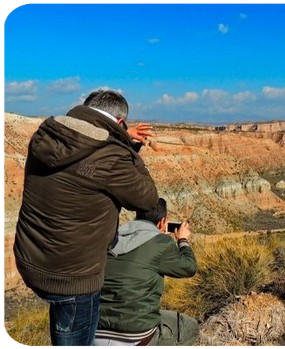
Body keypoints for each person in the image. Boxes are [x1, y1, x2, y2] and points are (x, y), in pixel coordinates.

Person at [14, 89, 159, 349]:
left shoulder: (46, 135)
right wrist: (131, 151)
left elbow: (83, 157)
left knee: (62, 320)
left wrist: (121, 137)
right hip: (74, 277)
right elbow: (147, 199)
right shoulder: (112, 156)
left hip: (32, 258)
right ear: (119, 121)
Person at [94, 198, 199, 349]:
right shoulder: (161, 242)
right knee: (190, 327)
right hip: (136, 337)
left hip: (97, 333)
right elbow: (189, 268)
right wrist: (182, 240)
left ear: (137, 215)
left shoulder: (110, 238)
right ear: (163, 222)